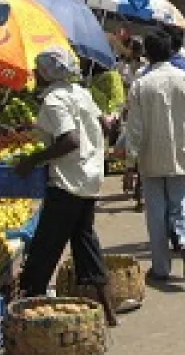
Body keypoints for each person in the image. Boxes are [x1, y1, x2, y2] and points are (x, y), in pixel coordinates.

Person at [14, 48, 117, 326]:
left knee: (46, 246)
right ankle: (108, 309)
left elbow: (70, 139)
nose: (35, 74)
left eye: (38, 70)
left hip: (67, 182)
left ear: (47, 73)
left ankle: (28, 307)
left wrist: (33, 159)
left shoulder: (55, 100)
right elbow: (101, 126)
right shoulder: (79, 93)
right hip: (89, 178)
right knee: (84, 242)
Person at [125, 30, 185, 286]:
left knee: (156, 213)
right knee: (181, 204)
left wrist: (129, 162)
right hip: (182, 154)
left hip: (150, 157)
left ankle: (161, 267)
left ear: (147, 54)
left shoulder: (141, 84)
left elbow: (134, 127)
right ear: (172, 50)